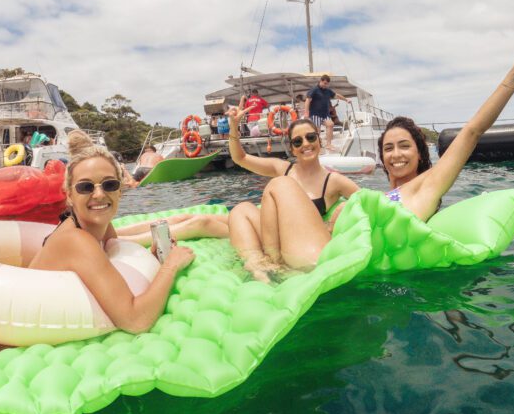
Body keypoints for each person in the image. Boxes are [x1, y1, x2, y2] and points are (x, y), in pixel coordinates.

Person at [29, 130, 195, 333]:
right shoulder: (75, 240)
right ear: (69, 196)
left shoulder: (101, 225)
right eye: (85, 187)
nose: (99, 194)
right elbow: (135, 321)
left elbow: (112, 261)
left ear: (119, 191)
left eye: (109, 184)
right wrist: (171, 265)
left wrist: (151, 259)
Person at [377, 40, 514, 222]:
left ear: (419, 154)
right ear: (382, 158)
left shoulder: (429, 187)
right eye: (388, 148)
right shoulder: (377, 199)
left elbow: (473, 131)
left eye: (404, 146)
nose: (396, 154)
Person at [226, 109, 359, 281]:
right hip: (276, 238)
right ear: (292, 149)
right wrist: (233, 127)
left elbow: (366, 200)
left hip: (303, 244)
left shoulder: (333, 180)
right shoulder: (282, 168)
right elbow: (240, 158)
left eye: (311, 137)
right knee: (240, 209)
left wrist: (341, 210)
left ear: (319, 140)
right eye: (297, 141)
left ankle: (274, 262)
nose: (305, 144)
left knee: (280, 184)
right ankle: (257, 265)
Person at [304, 75, 350, 151]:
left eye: (327, 84)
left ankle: (329, 145)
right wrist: (306, 113)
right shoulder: (314, 90)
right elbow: (307, 101)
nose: (326, 85)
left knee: (330, 124)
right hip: (315, 114)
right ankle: (318, 147)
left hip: (325, 114)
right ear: (321, 81)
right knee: (317, 131)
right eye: (324, 83)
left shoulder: (328, 90)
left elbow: (337, 95)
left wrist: (346, 100)